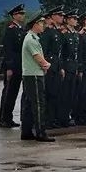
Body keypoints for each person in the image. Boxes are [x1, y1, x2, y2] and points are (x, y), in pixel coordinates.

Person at [19, 11, 55, 142]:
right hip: (33, 74)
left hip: (33, 73)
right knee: (39, 104)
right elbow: (38, 57)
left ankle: (26, 131)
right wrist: (47, 65)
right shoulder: (31, 39)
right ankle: (41, 132)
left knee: (29, 103)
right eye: (41, 23)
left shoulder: (34, 38)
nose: (43, 26)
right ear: (35, 24)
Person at [0, 4, 26, 128]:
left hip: (20, 65)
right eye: (20, 14)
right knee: (8, 92)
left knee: (14, 92)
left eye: (23, 14)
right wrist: (9, 67)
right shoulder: (11, 29)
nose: (22, 16)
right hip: (13, 65)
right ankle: (4, 118)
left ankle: (8, 118)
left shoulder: (21, 29)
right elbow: (8, 49)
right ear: (14, 15)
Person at [40, 6, 65, 129]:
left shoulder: (57, 32)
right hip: (49, 67)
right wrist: (44, 65)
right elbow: (44, 51)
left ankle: (52, 118)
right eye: (59, 15)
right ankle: (46, 120)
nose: (62, 17)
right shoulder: (47, 32)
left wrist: (60, 67)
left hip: (55, 66)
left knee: (55, 93)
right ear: (52, 17)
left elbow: (59, 53)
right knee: (48, 93)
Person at [58, 9, 80, 127]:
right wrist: (61, 67)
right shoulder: (63, 33)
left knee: (71, 93)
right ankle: (62, 117)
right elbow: (60, 53)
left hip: (73, 67)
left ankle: (68, 116)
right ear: (67, 20)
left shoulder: (74, 33)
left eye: (76, 19)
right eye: (73, 18)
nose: (76, 21)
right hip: (66, 67)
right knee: (64, 94)